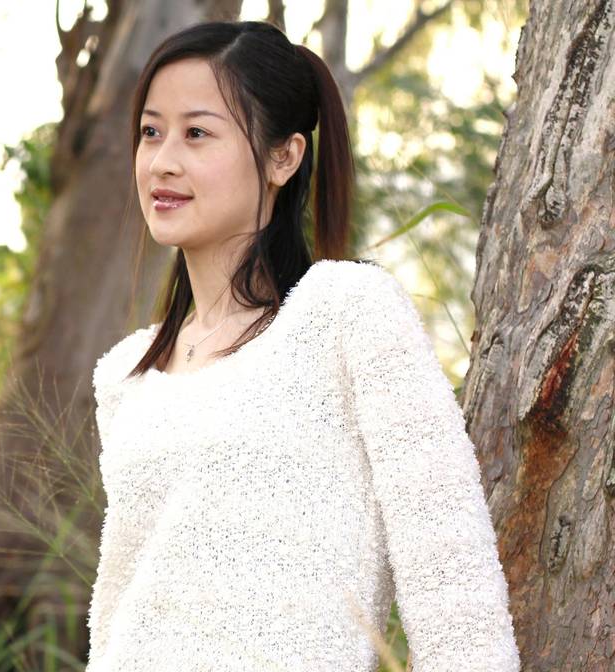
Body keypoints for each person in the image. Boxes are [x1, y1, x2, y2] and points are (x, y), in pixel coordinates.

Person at [85, 20, 521, 672]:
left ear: (283, 158)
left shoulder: (344, 312)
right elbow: (116, 604)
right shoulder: (127, 374)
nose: (163, 161)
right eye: (151, 132)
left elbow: (448, 560)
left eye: (197, 133)